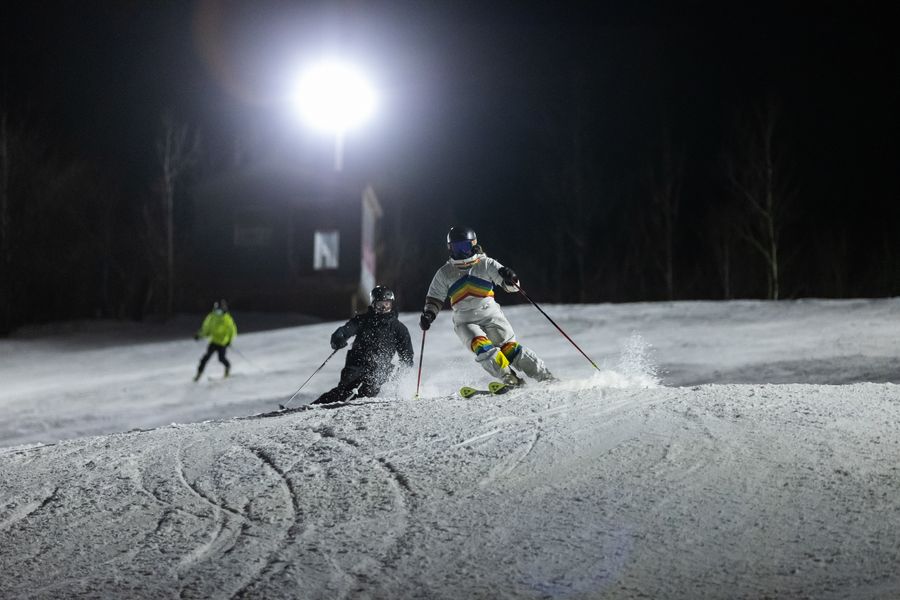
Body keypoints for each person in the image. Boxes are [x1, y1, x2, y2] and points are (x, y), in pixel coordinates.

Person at [419, 226, 554, 386]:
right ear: (450, 248)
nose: (461, 252)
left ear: (473, 245)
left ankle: (545, 376)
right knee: (481, 347)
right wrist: (429, 315)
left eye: (465, 247)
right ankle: (508, 377)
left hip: (491, 315)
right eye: (457, 248)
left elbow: (510, 286)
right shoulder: (445, 273)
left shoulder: (485, 264)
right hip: (465, 320)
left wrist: (511, 277)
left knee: (509, 349)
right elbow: (434, 299)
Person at [312, 285, 415, 405]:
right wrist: (338, 339)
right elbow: (344, 331)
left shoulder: (399, 328)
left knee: (367, 391)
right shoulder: (363, 320)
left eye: (387, 304)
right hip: (356, 364)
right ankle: (313, 406)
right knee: (344, 392)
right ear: (373, 304)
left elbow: (407, 355)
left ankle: (356, 411)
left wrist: (403, 371)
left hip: (380, 368)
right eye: (380, 305)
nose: (383, 308)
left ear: (392, 304)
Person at [193, 299, 237, 381]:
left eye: (220, 310)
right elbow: (206, 329)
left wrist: (229, 341)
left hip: (222, 343)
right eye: (216, 310)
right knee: (205, 358)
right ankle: (198, 375)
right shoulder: (211, 317)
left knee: (221, 358)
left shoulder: (227, 319)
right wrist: (199, 335)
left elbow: (232, 330)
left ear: (224, 309)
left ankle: (227, 368)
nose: (218, 312)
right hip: (213, 342)